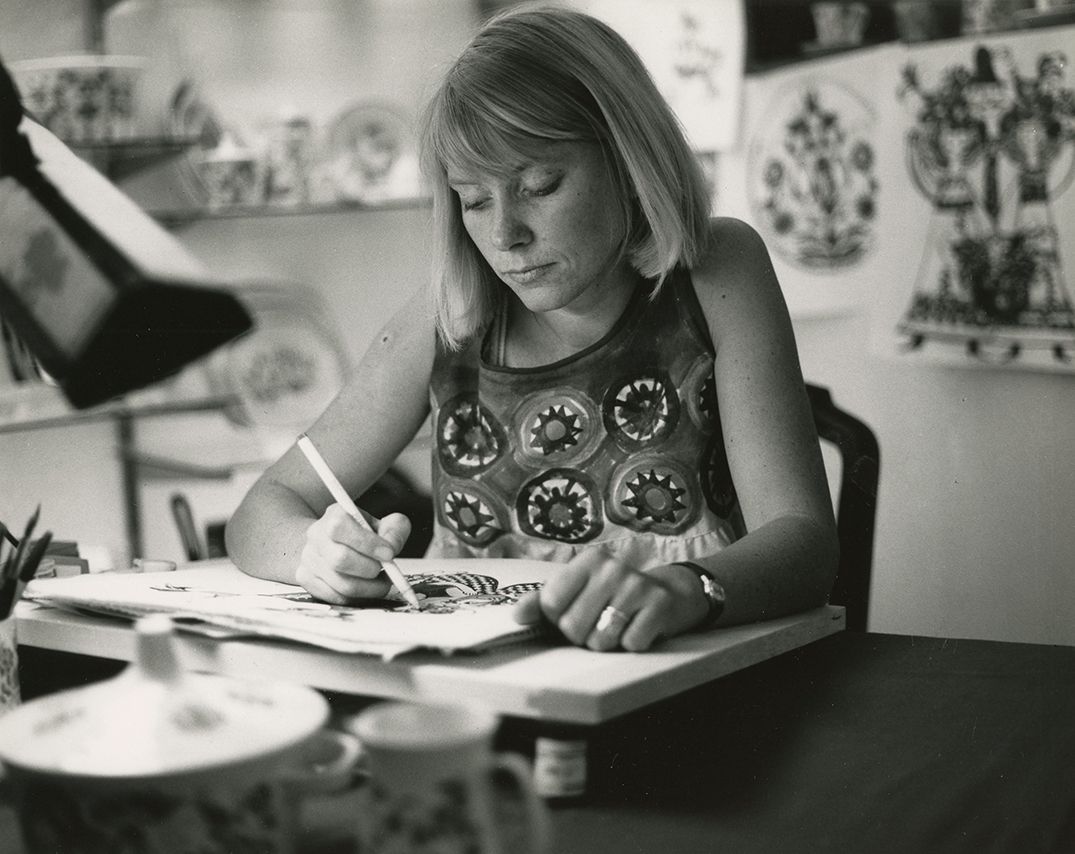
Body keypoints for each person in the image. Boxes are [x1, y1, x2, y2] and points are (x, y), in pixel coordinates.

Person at [226, 4, 839, 653]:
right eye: (473, 200)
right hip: (478, 689)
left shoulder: (716, 272)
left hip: (669, 675)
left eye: (540, 186)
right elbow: (263, 508)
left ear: (630, 161)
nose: (504, 235)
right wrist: (314, 553)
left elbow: (804, 544)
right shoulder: (447, 319)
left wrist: (685, 590)